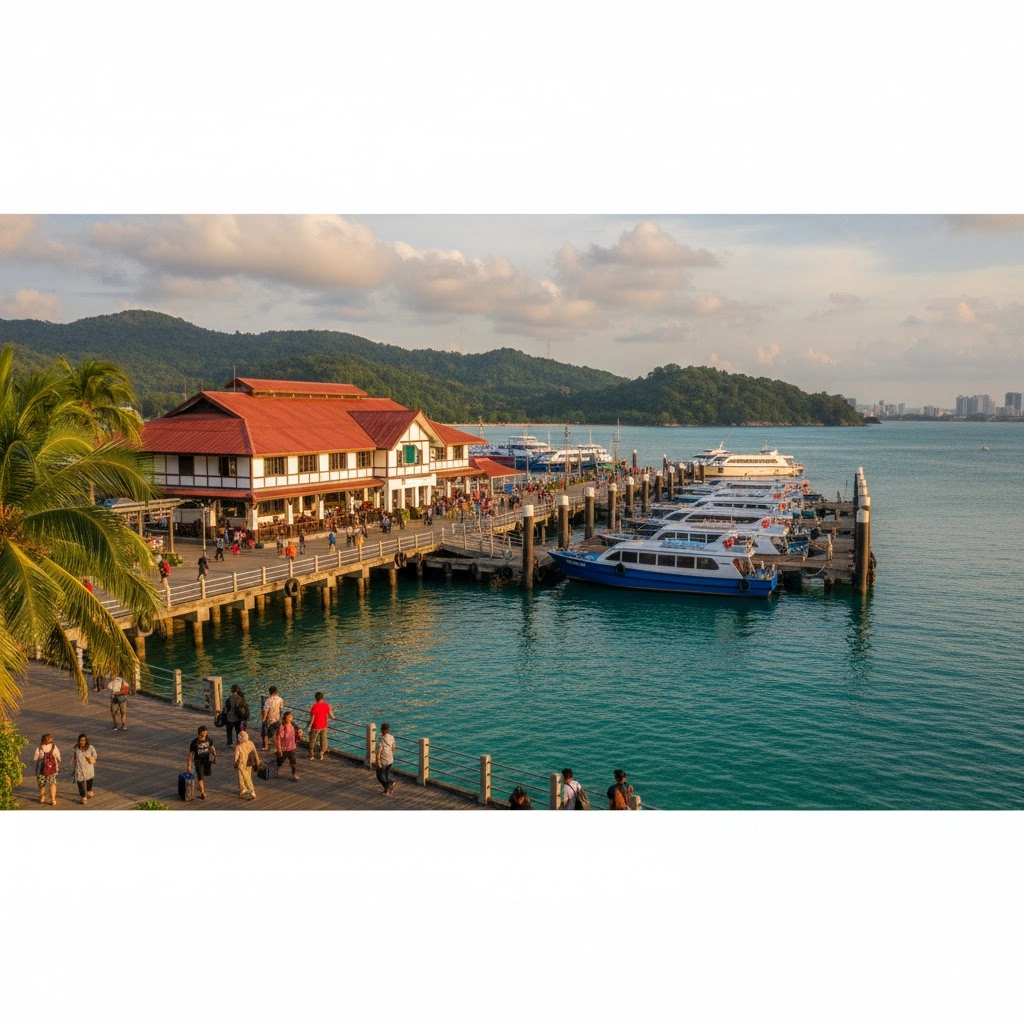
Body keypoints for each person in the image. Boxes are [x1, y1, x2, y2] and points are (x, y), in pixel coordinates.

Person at [187, 726, 217, 800]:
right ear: (199, 733)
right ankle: (203, 793)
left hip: (207, 760)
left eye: (206, 732)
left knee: (205, 775)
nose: (205, 734)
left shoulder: (208, 740)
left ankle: (201, 786)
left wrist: (215, 755)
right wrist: (189, 766)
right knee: (200, 777)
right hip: (198, 761)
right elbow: (191, 755)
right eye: (203, 732)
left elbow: (212, 747)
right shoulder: (195, 742)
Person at [307, 691, 336, 760]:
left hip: (316, 726)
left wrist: (309, 726)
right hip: (324, 726)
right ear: (322, 697)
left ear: (316, 698)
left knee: (312, 740)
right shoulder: (326, 705)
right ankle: (321, 754)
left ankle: (312, 754)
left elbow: (312, 718)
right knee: (323, 740)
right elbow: (331, 715)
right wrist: (334, 718)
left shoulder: (314, 706)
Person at [33, 733, 61, 805]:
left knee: (41, 784)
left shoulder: (39, 748)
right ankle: (53, 800)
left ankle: (42, 797)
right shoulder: (54, 747)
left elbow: (35, 758)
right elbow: (58, 756)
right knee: (52, 784)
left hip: (41, 770)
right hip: (51, 769)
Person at [70, 734, 97, 804]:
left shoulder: (90, 747)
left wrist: (90, 758)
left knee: (89, 780)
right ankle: (83, 796)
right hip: (79, 769)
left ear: (86, 741)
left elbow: (95, 755)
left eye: (84, 740)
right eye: (81, 740)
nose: (83, 742)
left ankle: (89, 790)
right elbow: (73, 756)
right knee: (80, 782)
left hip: (89, 768)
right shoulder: (76, 748)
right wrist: (72, 760)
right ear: (79, 741)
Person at [233, 729, 260, 800]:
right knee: (248, 776)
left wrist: (235, 764)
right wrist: (257, 761)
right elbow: (255, 753)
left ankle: (248, 790)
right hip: (249, 763)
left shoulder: (238, 747)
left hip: (241, 765)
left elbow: (236, 757)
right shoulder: (251, 743)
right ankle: (248, 790)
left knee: (242, 778)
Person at [275, 711, 302, 781]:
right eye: (289, 716)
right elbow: (278, 738)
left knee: (293, 762)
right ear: (285, 718)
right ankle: (276, 770)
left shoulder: (292, 725)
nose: (291, 718)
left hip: (292, 747)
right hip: (284, 748)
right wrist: (279, 749)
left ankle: (294, 774)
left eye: (291, 716)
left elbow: (297, 732)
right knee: (280, 762)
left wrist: (299, 734)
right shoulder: (282, 727)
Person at [261, 685, 284, 751]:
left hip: (270, 720)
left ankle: (266, 746)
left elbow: (265, 711)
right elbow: (281, 708)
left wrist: (263, 719)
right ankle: (278, 746)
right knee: (277, 733)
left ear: (270, 692)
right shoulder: (280, 699)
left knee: (265, 733)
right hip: (277, 719)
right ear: (276, 691)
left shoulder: (268, 700)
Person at [375, 722, 396, 796]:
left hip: (383, 761)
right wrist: (390, 754)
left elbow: (379, 752)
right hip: (390, 759)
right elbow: (393, 747)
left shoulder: (382, 739)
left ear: (381, 730)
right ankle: (387, 790)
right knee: (386, 775)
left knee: (380, 776)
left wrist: (378, 762)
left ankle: (390, 783)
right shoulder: (391, 737)